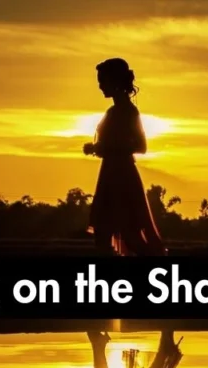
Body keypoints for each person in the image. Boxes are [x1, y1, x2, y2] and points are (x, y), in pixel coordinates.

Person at [83, 58, 167, 257]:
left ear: (115, 81)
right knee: (103, 233)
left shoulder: (129, 111)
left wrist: (104, 147)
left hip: (122, 177)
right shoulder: (113, 111)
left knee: (130, 234)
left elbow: (141, 146)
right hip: (110, 173)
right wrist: (97, 148)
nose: (100, 86)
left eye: (103, 80)